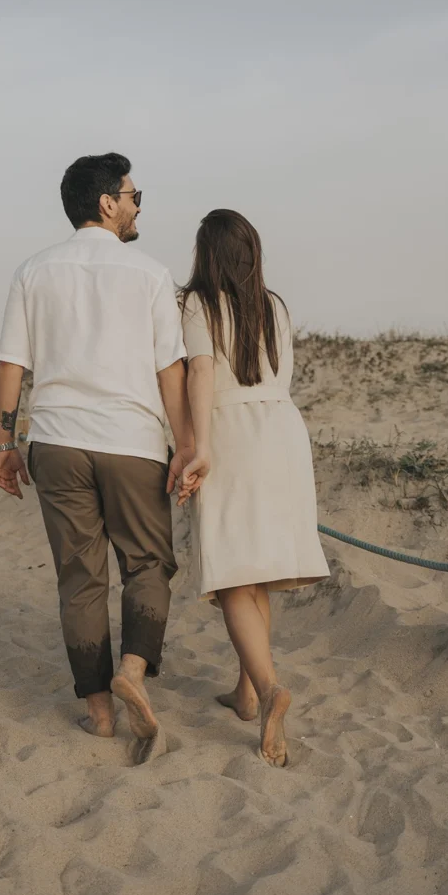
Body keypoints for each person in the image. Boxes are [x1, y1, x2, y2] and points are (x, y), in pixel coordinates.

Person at [0, 153, 193, 764]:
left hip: (56, 441)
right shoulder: (150, 273)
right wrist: (185, 445)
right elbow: (171, 370)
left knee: (79, 578)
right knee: (149, 562)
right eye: (134, 196)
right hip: (131, 441)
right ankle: (132, 668)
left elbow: (11, 365)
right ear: (107, 203)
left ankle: (100, 714)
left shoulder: (33, 270)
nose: (137, 207)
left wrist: (3, 445)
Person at [176, 209, 329, 767]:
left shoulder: (198, 303)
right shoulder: (276, 305)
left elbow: (199, 371)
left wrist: (199, 446)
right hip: (284, 433)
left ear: (206, 255)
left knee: (233, 575)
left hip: (234, 433)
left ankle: (267, 690)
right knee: (256, 569)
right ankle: (244, 692)